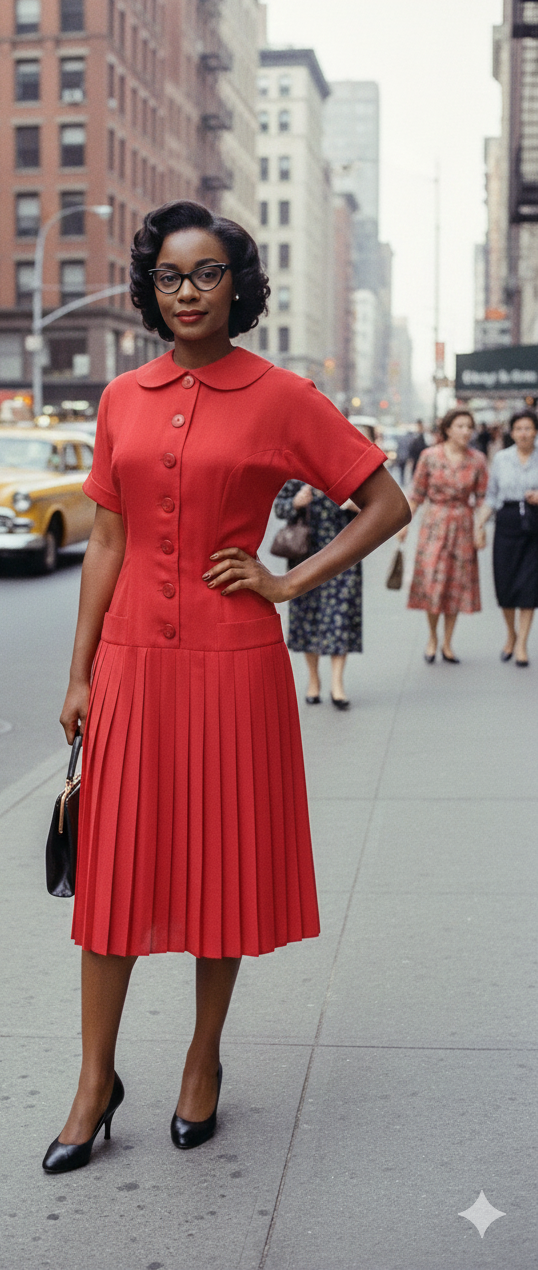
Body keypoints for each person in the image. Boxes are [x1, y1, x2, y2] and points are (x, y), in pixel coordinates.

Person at [42, 199, 410, 1175]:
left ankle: (202, 1060)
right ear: (149, 288)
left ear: (237, 286)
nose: (189, 291)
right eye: (171, 275)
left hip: (234, 665)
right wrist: (78, 674)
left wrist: (286, 581)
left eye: (207, 274)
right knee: (113, 876)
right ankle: (95, 1081)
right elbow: (106, 543)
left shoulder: (281, 395)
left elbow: (386, 500)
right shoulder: (122, 394)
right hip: (129, 666)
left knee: (219, 869)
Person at [399, 408, 489, 663]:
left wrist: (480, 528)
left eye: (469, 427)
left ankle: (448, 642)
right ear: (448, 429)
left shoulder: (477, 460)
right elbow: (416, 494)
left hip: (463, 524)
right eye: (460, 426)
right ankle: (432, 637)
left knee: (455, 585)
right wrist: (404, 525)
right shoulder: (429, 456)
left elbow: (483, 498)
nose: (465, 431)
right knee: (431, 582)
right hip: (435, 524)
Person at [273, 482, 361, 708]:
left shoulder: (346, 472)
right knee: (307, 618)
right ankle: (314, 679)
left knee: (341, 617)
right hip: (305, 559)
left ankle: (337, 684)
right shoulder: (296, 475)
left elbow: (377, 507)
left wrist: (356, 506)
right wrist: (295, 502)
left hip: (344, 555)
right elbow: (279, 508)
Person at [480, 408, 538, 666]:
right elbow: (491, 496)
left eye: (528, 428)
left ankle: (523, 643)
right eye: (519, 428)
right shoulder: (502, 459)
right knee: (505, 584)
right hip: (507, 522)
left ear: (535, 431)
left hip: (535, 525)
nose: (524, 433)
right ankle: (511, 633)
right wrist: (478, 525)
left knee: (529, 587)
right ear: (512, 432)